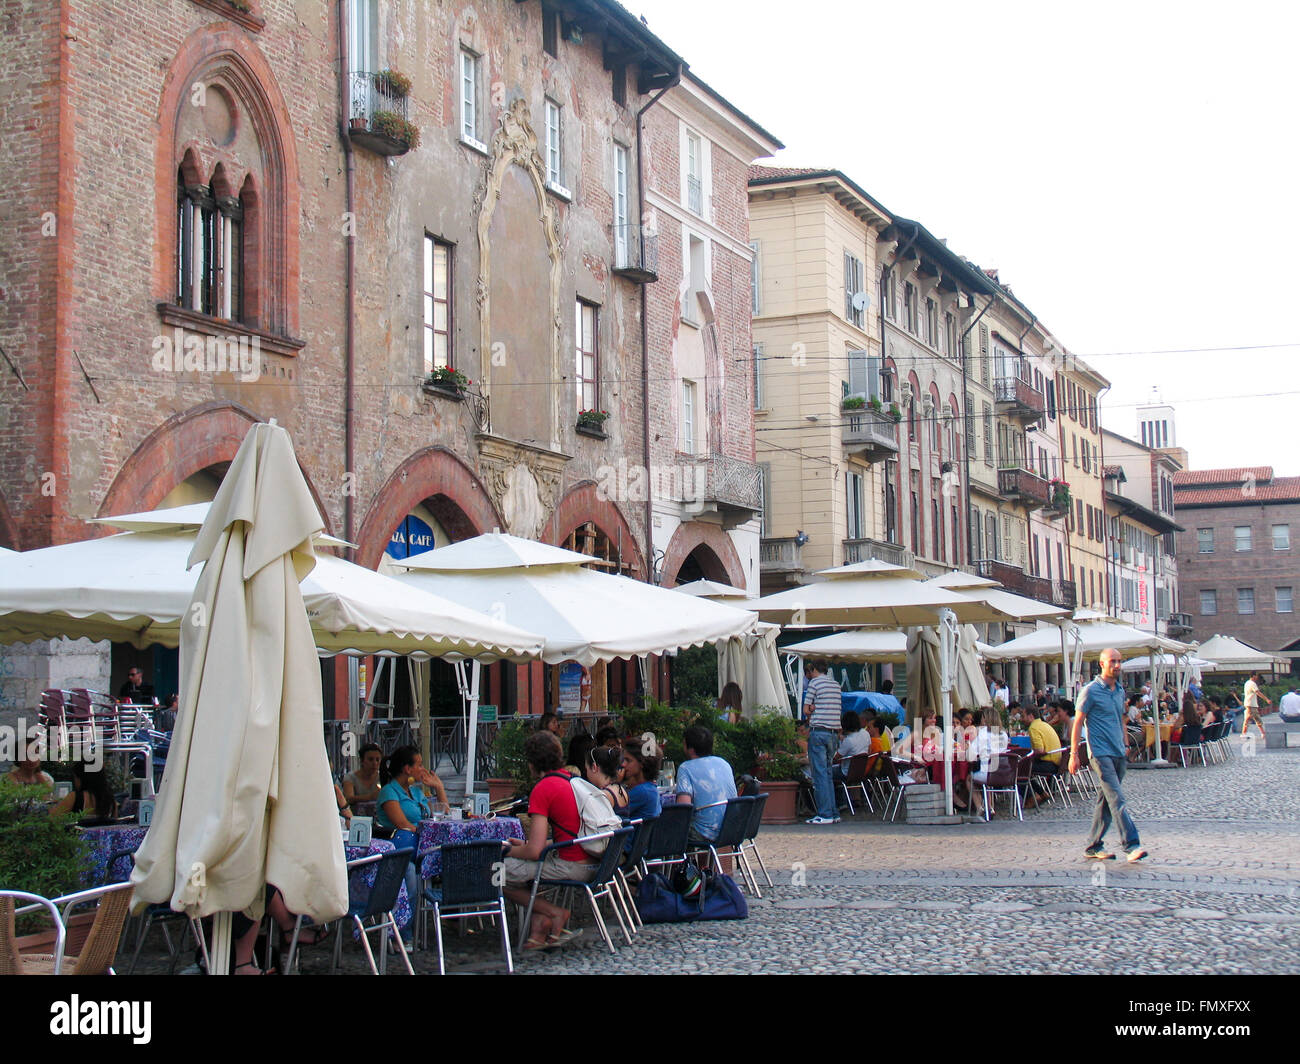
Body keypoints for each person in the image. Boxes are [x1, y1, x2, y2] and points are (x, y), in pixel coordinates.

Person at [503, 730, 593, 950]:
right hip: (595, 862)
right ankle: (540, 925)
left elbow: (534, 852)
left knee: (496, 872)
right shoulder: (573, 780)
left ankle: (554, 913)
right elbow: (566, 837)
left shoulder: (543, 788)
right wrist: (525, 848)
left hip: (572, 867)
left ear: (532, 763)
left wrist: (507, 851)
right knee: (527, 869)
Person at [1070, 648, 1146, 863]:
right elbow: (1077, 723)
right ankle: (1131, 845)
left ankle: (1093, 845)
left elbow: (1120, 719)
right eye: (1113, 661)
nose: (1117, 665)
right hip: (1100, 753)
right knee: (1117, 799)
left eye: (1120, 661)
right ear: (1102, 664)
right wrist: (1074, 754)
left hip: (1118, 752)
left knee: (1106, 800)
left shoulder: (1120, 690)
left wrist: (1125, 743)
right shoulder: (1090, 691)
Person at [675, 725, 737, 843]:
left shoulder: (686, 768)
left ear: (691, 749)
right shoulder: (724, 763)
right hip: (729, 829)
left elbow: (683, 809)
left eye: (684, 744)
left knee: (665, 831)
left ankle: (679, 862)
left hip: (703, 833)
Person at [801, 660, 843, 825]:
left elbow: (805, 709)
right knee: (827, 774)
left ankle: (824, 814)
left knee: (818, 775)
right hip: (833, 733)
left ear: (813, 669)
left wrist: (812, 708)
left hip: (818, 732)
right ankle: (833, 812)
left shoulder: (814, 683)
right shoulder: (836, 685)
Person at [1022, 705, 1060, 808]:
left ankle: (1031, 797)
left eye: (1023, 716)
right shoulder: (1044, 725)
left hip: (1048, 764)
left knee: (1020, 770)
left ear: (1030, 716)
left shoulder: (1033, 728)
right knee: (1026, 768)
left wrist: (1027, 759)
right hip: (1056, 763)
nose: (1022, 719)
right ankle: (1042, 793)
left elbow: (1039, 751)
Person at [617, 739, 661, 824]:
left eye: (628, 760)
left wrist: (615, 785)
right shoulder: (650, 788)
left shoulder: (642, 792)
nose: (623, 764)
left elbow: (609, 814)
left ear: (642, 763)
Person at [52, 764, 117, 821]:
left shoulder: (75, 798)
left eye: (75, 777)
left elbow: (52, 818)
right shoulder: (111, 801)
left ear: (81, 778)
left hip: (78, 834)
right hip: (103, 835)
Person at [831, 710, 871, 792]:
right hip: (861, 771)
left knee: (825, 772)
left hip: (846, 772)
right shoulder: (865, 733)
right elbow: (869, 750)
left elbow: (835, 758)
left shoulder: (849, 740)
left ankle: (839, 801)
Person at [584, 744, 628, 809]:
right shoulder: (620, 789)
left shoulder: (604, 795)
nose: (586, 773)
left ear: (594, 767)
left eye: (586, 769)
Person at [342, 743, 383, 809]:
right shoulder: (350, 777)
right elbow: (349, 798)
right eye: (370, 759)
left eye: (377, 760)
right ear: (362, 761)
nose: (375, 763)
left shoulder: (382, 777)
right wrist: (370, 797)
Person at [1242, 671, 1271, 740]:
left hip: (1249, 703)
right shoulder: (1252, 683)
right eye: (1256, 676)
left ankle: (1244, 733)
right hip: (1251, 704)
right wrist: (1266, 699)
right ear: (1253, 676)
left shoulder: (1247, 683)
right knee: (1255, 719)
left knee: (1249, 719)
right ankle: (1262, 733)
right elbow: (1257, 692)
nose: (1257, 677)